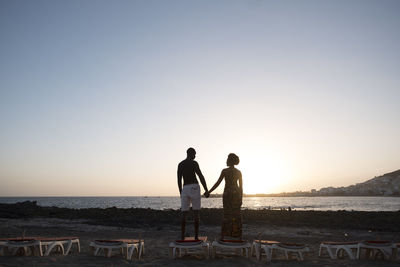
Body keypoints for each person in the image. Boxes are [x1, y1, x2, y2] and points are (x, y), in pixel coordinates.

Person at [206, 153, 243, 240]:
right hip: (236, 194)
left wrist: (209, 192)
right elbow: (241, 187)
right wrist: (240, 198)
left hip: (227, 194)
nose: (226, 161)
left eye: (227, 159)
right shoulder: (238, 172)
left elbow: (217, 183)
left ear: (230, 161)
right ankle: (237, 235)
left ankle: (224, 236)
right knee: (236, 215)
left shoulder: (225, 171)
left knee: (226, 215)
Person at [177, 147, 209, 240]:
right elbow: (200, 176)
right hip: (194, 186)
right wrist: (206, 189)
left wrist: (181, 192)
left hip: (185, 188)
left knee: (184, 213)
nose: (195, 155)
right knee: (196, 213)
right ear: (190, 153)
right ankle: (195, 237)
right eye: (194, 154)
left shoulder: (180, 164)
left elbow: (179, 179)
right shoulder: (194, 163)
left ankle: (182, 236)